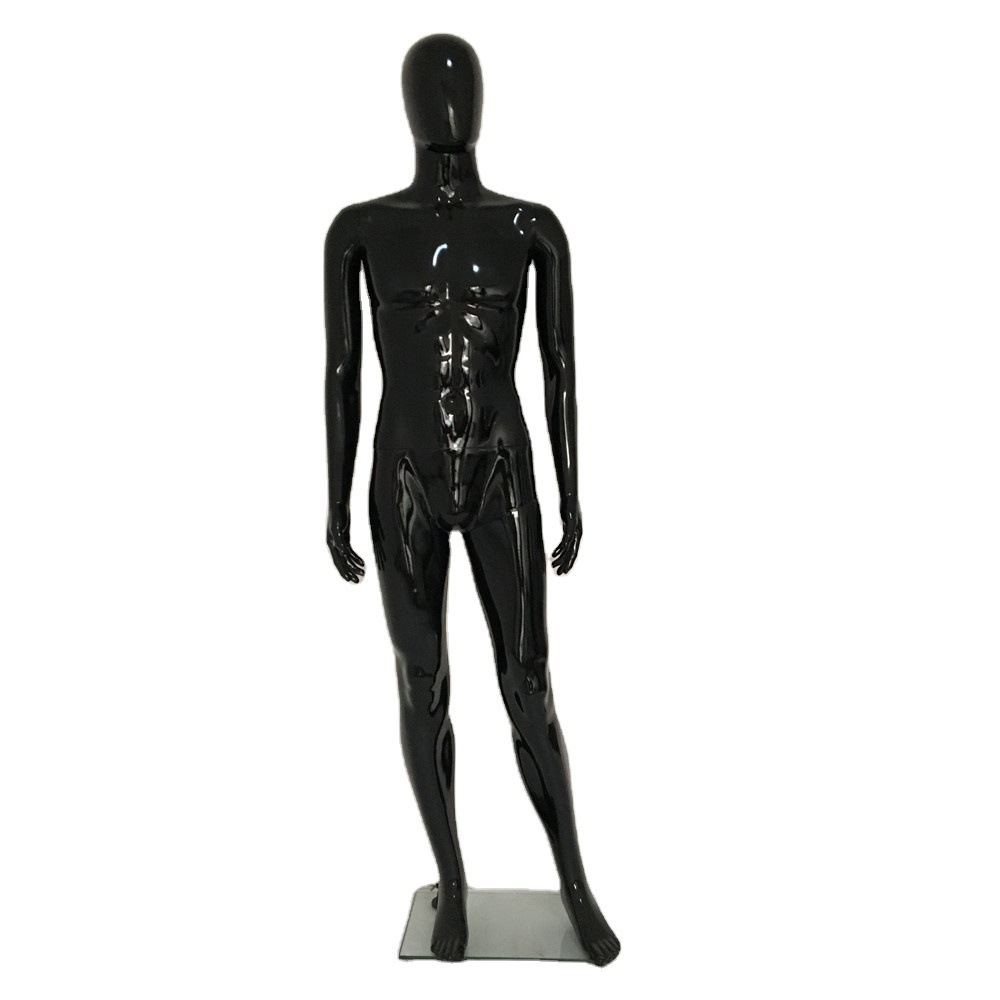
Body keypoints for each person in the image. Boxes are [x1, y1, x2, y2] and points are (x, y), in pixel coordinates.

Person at [324, 33, 619, 966]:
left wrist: (571, 491)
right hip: (405, 473)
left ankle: (575, 880)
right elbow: (341, 373)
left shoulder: (531, 227)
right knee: (422, 683)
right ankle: (450, 881)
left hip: (501, 469)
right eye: (434, 88)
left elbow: (561, 367)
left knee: (528, 683)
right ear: (409, 104)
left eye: (462, 87)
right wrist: (335, 501)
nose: (450, 105)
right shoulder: (359, 229)